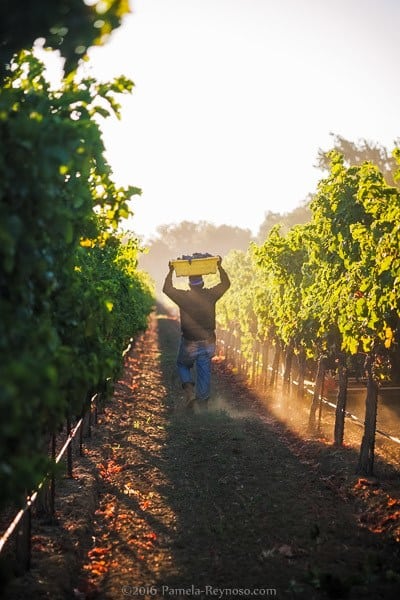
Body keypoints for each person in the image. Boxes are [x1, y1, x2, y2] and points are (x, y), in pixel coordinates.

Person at [162, 255, 230, 409]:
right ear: (203, 282)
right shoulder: (211, 294)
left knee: (182, 363)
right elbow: (226, 283)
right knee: (204, 368)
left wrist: (171, 270)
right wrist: (219, 266)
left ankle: (190, 392)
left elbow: (167, 289)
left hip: (189, 340)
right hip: (207, 339)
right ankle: (203, 402)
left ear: (189, 284)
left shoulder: (183, 297)